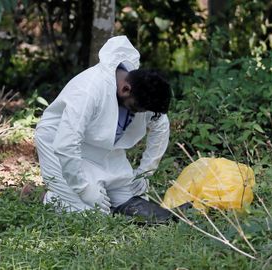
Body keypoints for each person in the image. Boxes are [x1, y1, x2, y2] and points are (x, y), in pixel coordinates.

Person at [34, 36, 172, 218]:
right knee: (90, 213)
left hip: (100, 146)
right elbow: (66, 143)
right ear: (125, 89)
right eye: (136, 109)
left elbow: (161, 127)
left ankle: (103, 194)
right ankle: (55, 197)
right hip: (57, 143)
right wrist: (83, 189)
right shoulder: (89, 90)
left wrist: (145, 172)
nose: (139, 114)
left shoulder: (141, 89)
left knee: (132, 201)